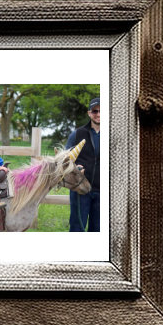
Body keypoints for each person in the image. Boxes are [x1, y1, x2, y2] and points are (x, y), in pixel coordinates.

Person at [65, 97, 100, 232]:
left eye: (101, 111)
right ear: (89, 113)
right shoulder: (77, 134)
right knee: (76, 228)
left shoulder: (113, 134)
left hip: (102, 191)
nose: (98, 114)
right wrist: (75, 169)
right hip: (80, 189)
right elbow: (65, 162)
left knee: (98, 230)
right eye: (95, 111)